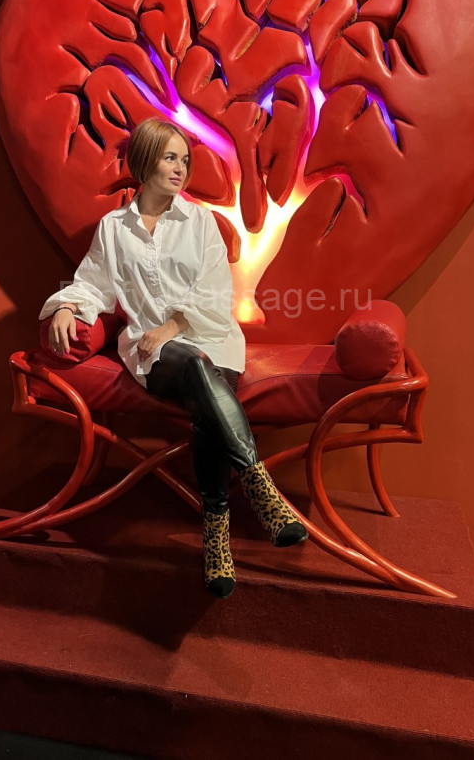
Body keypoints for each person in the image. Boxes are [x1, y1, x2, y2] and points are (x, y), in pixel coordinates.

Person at [41, 118, 307, 599]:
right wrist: (65, 307)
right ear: (145, 161)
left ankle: (218, 530)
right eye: (170, 158)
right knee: (192, 368)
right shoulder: (113, 228)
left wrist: (171, 327)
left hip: (212, 338)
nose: (181, 168)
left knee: (204, 394)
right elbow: (93, 285)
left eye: (185, 159)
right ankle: (260, 488)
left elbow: (215, 291)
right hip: (151, 349)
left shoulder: (201, 222)